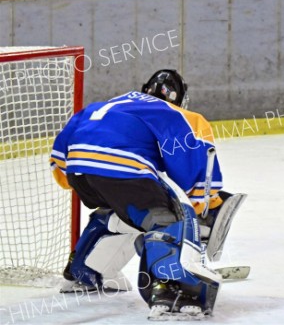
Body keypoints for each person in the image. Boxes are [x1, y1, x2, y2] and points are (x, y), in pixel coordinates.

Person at [50, 69, 244, 319]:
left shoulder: (110, 104)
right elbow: (192, 156)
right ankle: (175, 286)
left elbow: (60, 154)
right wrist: (203, 206)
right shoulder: (171, 111)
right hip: (122, 169)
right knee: (169, 217)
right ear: (178, 98)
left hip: (79, 172)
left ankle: (87, 270)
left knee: (127, 210)